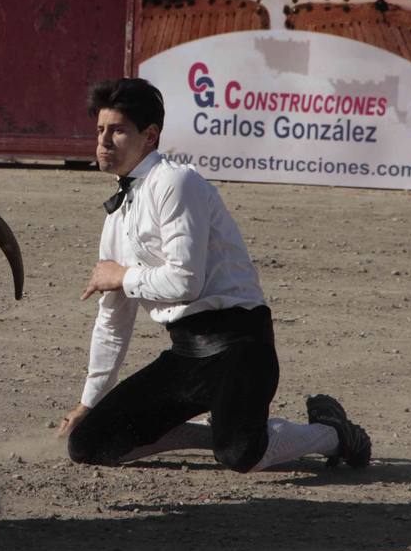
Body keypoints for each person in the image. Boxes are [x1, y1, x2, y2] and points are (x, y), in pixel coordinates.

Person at [57, 78, 373, 475]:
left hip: (239, 346)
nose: (104, 141)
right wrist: (89, 402)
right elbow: (112, 321)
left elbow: (184, 283)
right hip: (186, 354)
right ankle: (222, 430)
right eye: (100, 130)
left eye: (118, 130)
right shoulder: (118, 215)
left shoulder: (176, 182)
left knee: (242, 455)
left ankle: (334, 433)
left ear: (150, 136)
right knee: (89, 443)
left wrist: (123, 276)